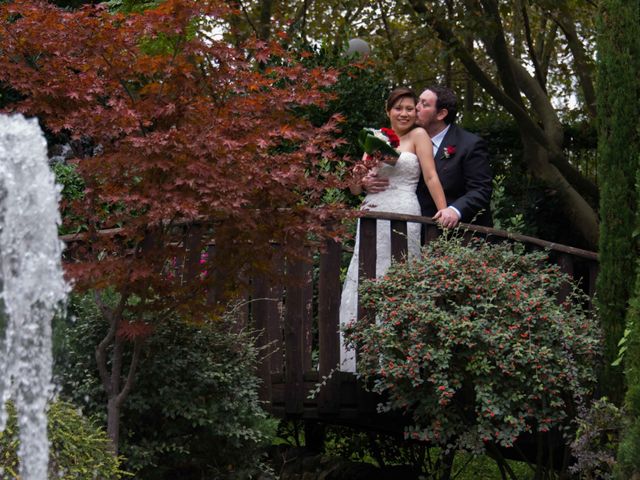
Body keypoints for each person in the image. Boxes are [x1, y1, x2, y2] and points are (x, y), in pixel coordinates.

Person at [339, 87, 447, 372]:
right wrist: (359, 181)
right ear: (388, 111)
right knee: (366, 274)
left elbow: (431, 175)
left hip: (404, 210)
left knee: (399, 272)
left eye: (410, 108)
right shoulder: (377, 137)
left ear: (416, 113)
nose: (404, 113)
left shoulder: (419, 136)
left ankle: (398, 358)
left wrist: (443, 210)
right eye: (398, 108)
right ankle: (360, 358)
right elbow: (353, 187)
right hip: (372, 211)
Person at [363, 86, 493, 228]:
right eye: (418, 102)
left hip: (459, 234)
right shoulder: (390, 139)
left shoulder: (469, 144)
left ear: (441, 114)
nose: (416, 108)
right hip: (413, 223)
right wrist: (365, 182)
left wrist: (453, 210)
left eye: (424, 104)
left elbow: (481, 190)